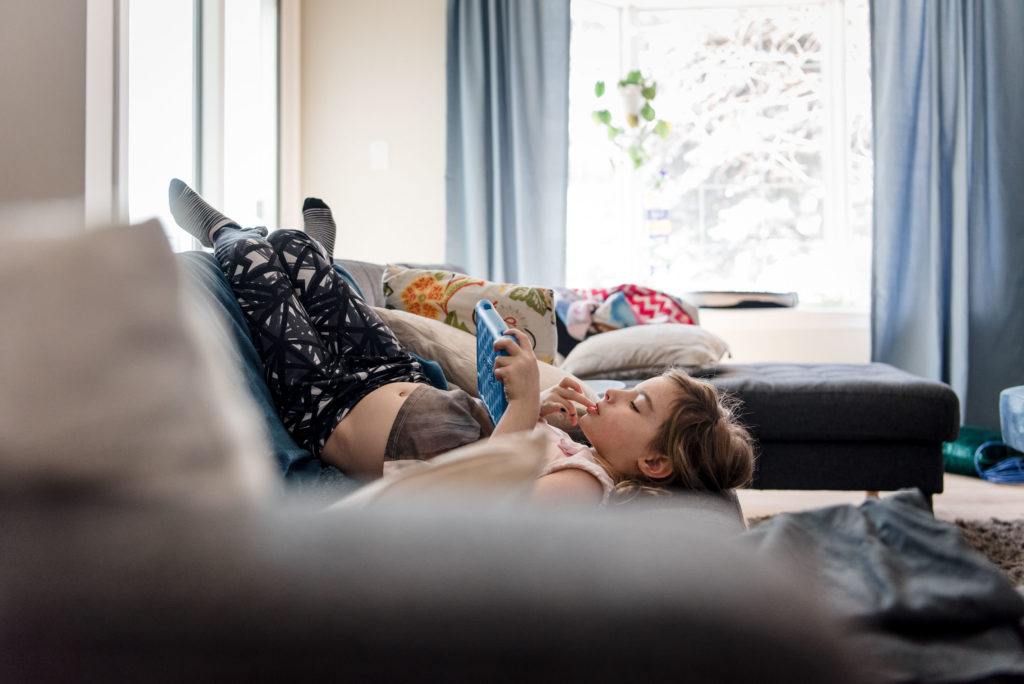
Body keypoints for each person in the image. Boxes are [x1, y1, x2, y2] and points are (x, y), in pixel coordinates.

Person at [168, 179, 754, 505]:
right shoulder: (582, 456)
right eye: (633, 390)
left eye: (637, 404)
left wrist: (524, 403)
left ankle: (228, 234)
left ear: (653, 462)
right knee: (294, 248)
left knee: (259, 264)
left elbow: (487, 507)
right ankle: (310, 252)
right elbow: (512, 448)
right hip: (397, 378)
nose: (616, 395)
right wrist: (541, 415)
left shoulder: (585, 487)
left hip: (332, 406)